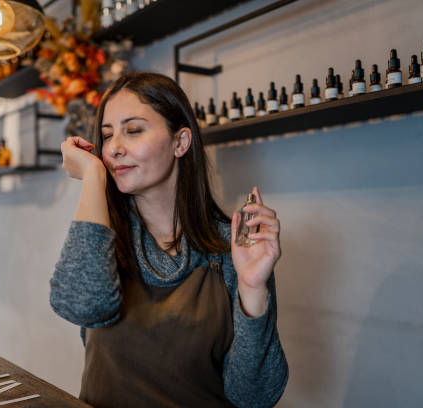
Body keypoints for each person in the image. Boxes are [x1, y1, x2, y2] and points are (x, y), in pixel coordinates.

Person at [50, 72, 288, 407]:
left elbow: (254, 397)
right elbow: (83, 305)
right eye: (107, 136)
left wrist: (252, 288)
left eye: (133, 130)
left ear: (180, 142)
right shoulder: (101, 236)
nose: (115, 147)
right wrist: (93, 176)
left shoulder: (233, 248)